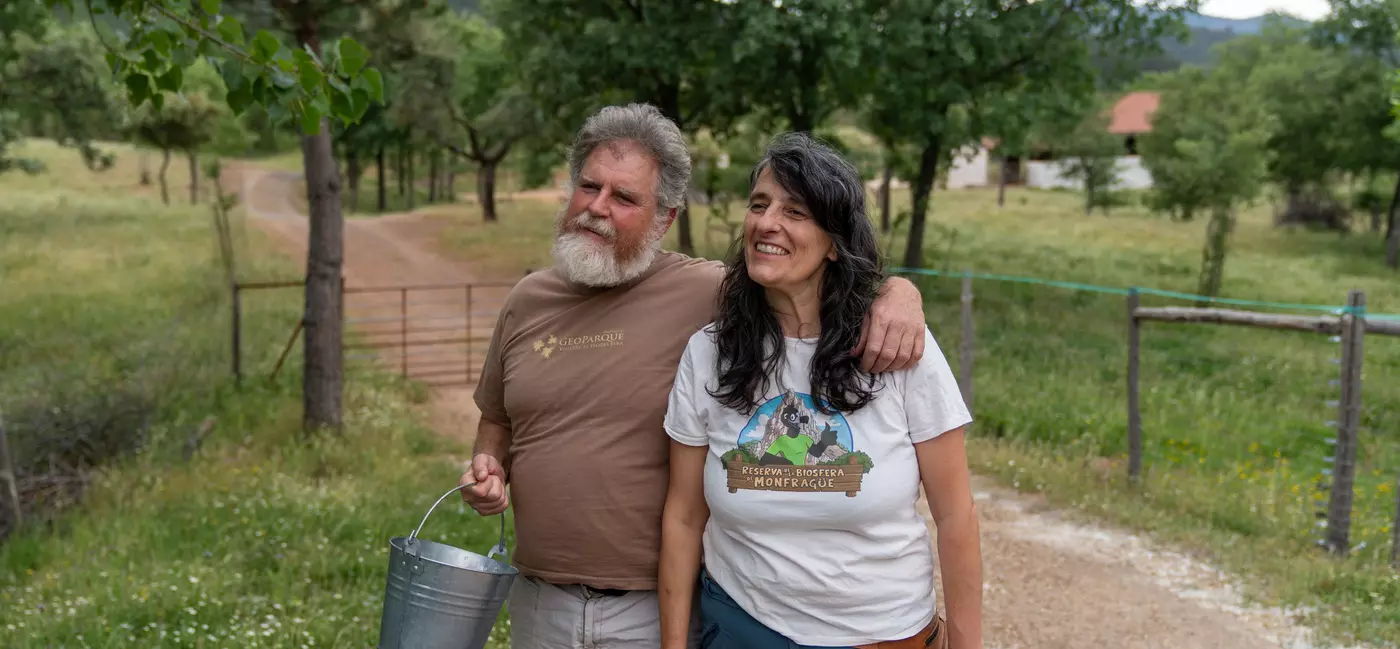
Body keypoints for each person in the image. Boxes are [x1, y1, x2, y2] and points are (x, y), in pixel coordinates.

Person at [460, 103, 933, 649]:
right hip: (539, 601)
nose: (597, 208)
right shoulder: (527, 301)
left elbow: (807, 272)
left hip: (651, 608)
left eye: (624, 198)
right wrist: (487, 469)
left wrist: (898, 292)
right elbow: (495, 421)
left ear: (665, 218)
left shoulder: (710, 292)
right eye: (588, 187)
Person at [657, 133, 983, 649]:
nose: (767, 222)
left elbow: (955, 515)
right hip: (743, 628)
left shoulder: (898, 348)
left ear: (835, 241)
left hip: (883, 634)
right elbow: (682, 516)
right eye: (759, 205)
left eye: (795, 211)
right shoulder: (708, 354)